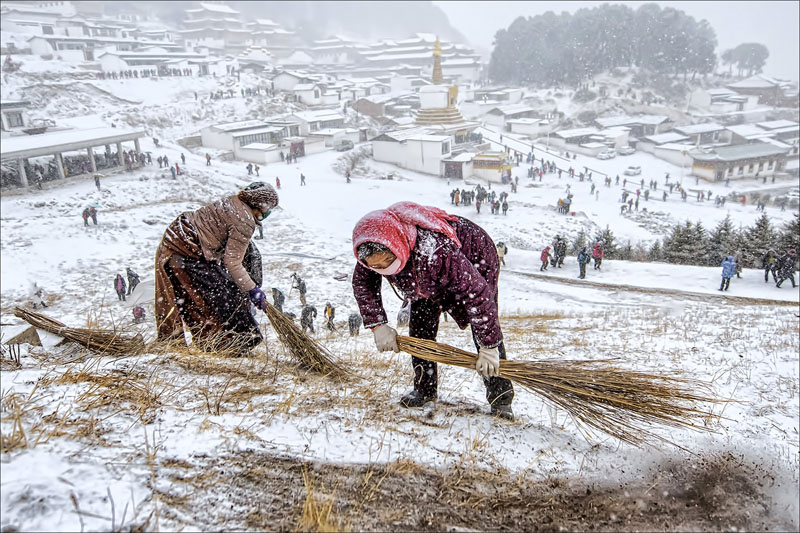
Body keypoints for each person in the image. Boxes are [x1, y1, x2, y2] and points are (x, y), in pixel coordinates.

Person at [351, 201, 514, 420]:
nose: (385, 268)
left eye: (389, 260)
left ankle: (501, 398)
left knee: (483, 329)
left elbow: (478, 294)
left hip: (473, 260)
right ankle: (424, 389)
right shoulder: (371, 250)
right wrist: (377, 325)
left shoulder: (435, 249)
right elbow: (363, 285)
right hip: (422, 278)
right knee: (420, 330)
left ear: (399, 243)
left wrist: (489, 345)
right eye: (377, 266)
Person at [154, 182, 279, 354]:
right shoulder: (245, 220)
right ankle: (233, 343)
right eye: (269, 208)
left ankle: (222, 343)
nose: (267, 213)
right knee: (221, 297)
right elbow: (232, 262)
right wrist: (252, 290)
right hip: (187, 248)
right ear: (261, 206)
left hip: (178, 236)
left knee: (202, 296)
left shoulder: (233, 201)